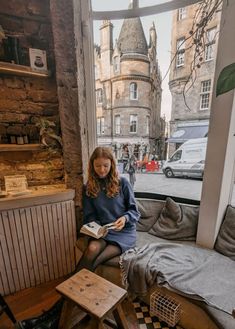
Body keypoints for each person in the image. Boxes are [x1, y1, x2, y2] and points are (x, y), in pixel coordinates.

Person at [76, 146, 140, 272]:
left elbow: (134, 211)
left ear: (112, 164)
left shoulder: (123, 183)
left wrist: (125, 218)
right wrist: (98, 229)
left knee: (98, 259)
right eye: (97, 166)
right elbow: (89, 216)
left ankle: (71, 284)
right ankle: (75, 285)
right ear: (92, 166)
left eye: (106, 165)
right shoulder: (88, 187)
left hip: (124, 232)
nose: (102, 170)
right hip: (103, 231)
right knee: (92, 249)